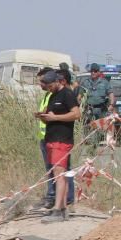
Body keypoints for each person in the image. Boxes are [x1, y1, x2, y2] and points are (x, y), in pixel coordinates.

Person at [37, 69, 81, 223]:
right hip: (51, 138)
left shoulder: (67, 94)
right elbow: (51, 116)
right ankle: (61, 208)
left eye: (49, 86)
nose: (47, 89)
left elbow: (76, 114)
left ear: (57, 82)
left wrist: (56, 117)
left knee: (60, 174)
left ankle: (58, 210)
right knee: (57, 174)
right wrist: (44, 117)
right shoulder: (52, 95)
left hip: (62, 140)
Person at [82, 64, 116, 141]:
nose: (93, 72)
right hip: (89, 109)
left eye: (95, 71)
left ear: (99, 72)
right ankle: (92, 142)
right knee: (89, 126)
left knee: (101, 127)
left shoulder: (104, 82)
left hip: (101, 109)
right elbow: (80, 95)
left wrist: (111, 104)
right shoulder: (86, 82)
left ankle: (98, 140)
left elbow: (110, 93)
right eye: (92, 71)